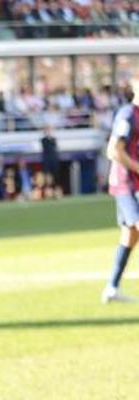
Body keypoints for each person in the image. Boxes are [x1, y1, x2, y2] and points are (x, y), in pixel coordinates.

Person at [102, 76, 139, 304]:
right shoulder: (127, 114)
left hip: (134, 183)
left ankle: (111, 288)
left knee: (130, 236)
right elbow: (114, 150)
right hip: (125, 183)